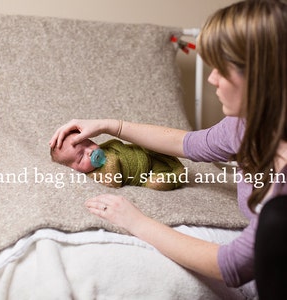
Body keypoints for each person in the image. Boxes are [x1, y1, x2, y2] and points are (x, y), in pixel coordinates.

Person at [49, 0, 287, 294]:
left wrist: (135, 221)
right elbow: (187, 143)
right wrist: (109, 125)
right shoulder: (245, 127)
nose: (212, 79)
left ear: (263, 77)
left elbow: (232, 265)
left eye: (222, 69)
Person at [50, 130, 185, 190]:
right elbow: (113, 183)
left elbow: (117, 144)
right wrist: (111, 163)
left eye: (89, 143)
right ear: (74, 169)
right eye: (81, 156)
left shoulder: (105, 149)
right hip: (148, 173)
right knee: (157, 183)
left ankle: (173, 165)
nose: (90, 151)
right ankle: (175, 176)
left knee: (153, 145)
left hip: (149, 157)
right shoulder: (93, 175)